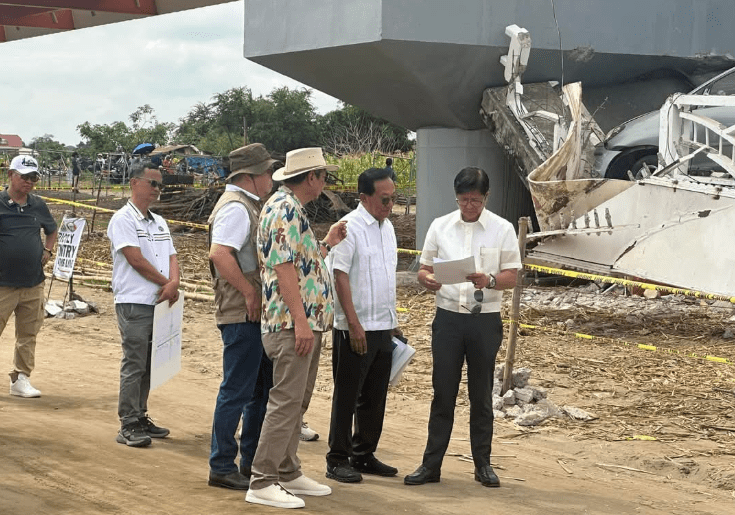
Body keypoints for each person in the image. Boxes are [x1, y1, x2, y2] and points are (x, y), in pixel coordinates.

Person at [404, 167, 521, 488]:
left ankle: (483, 465)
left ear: (486, 197)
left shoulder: (502, 229)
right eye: (463, 200)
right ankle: (431, 465)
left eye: (475, 200)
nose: (469, 206)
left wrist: (490, 279)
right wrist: (428, 279)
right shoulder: (440, 226)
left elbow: (512, 275)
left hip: (484, 320)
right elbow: (424, 269)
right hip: (448, 319)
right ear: (455, 197)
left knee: (480, 395)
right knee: (443, 393)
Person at [246, 147, 347, 509]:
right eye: (323, 175)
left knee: (296, 401)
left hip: (300, 323)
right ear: (311, 178)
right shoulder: (284, 208)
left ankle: (287, 470)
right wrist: (301, 321)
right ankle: (262, 479)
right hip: (291, 324)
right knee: (286, 402)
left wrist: (326, 244)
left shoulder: (289, 208)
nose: (325, 182)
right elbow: (284, 268)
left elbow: (301, 263)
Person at [207, 143, 278, 490]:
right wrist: (250, 292)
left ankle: (248, 461)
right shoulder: (236, 208)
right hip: (241, 311)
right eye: (268, 172)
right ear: (250, 176)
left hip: (246, 311)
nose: (271, 178)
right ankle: (222, 464)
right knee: (238, 390)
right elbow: (220, 254)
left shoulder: (245, 205)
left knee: (256, 390)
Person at [325, 166, 400, 483]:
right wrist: (353, 324)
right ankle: (337, 458)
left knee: (374, 396)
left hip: (383, 325)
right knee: (347, 395)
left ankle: (364, 453)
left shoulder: (388, 228)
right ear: (364, 197)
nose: (390, 205)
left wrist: (393, 322)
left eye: (393, 198)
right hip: (354, 327)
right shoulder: (349, 228)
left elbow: (386, 276)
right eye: (385, 199)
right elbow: (338, 275)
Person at [107, 160, 180, 448]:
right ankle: (127, 422)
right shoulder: (123, 219)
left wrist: (173, 282)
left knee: (151, 362)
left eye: (160, 184)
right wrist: (167, 283)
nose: (157, 189)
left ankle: (140, 415)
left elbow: (172, 255)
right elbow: (135, 259)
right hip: (135, 300)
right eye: (153, 183)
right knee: (135, 362)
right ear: (134, 183)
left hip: (159, 301)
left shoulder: (159, 221)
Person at [1, 155, 57, 398]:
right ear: (10, 175)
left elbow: (51, 230)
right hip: (2, 283)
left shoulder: (38, 205)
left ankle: (21, 378)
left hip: (33, 282)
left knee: (28, 333)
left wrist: (48, 250)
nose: (29, 182)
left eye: (33, 177)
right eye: (24, 176)